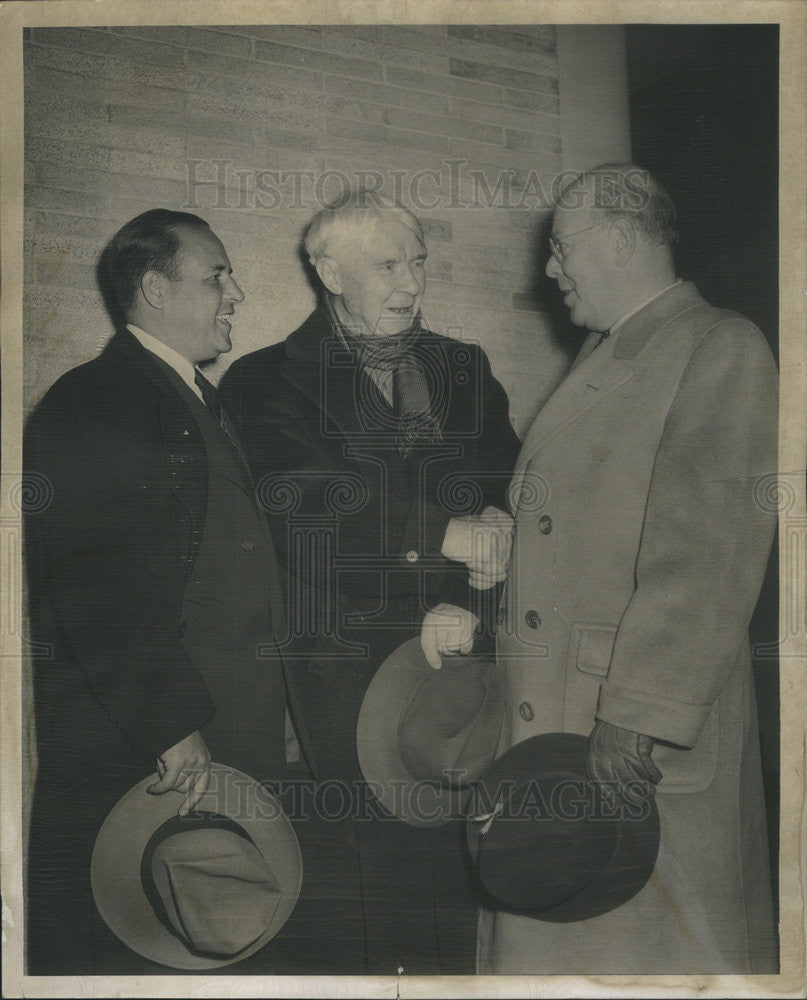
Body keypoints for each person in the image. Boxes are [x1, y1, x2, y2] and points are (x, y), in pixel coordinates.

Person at [482, 163, 779, 974]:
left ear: (616, 241)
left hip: (629, 736)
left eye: (560, 247)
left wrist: (637, 711)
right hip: (566, 722)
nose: (549, 268)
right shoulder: (603, 354)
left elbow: (707, 554)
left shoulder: (717, 344)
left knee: (650, 962)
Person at [219, 190, 521, 974]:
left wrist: (485, 547)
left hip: (463, 673)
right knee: (374, 903)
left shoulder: (464, 366)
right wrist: (446, 538)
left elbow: (510, 481)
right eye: (388, 264)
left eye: (417, 262)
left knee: (464, 887)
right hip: (353, 680)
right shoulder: (263, 381)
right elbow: (305, 506)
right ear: (329, 271)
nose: (412, 283)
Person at [24, 209, 291, 974]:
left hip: (221, 739)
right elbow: (96, 584)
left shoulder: (199, 400)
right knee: (137, 955)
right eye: (216, 276)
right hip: (155, 750)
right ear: (152, 288)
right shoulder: (96, 399)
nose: (235, 292)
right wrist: (170, 723)